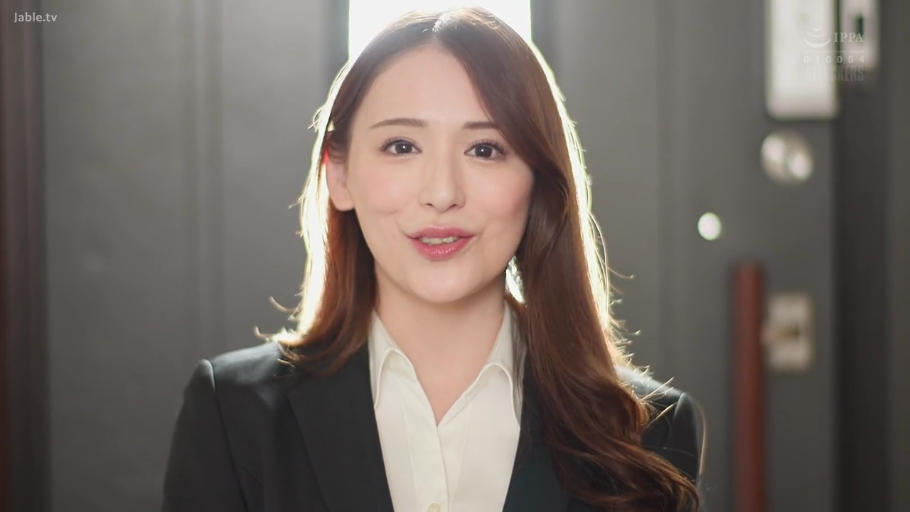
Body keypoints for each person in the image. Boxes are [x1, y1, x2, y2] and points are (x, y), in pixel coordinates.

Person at [162, 7, 704, 512]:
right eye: (401, 146)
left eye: (485, 149)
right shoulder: (233, 413)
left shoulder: (648, 429)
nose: (442, 193)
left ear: (537, 180)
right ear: (339, 174)